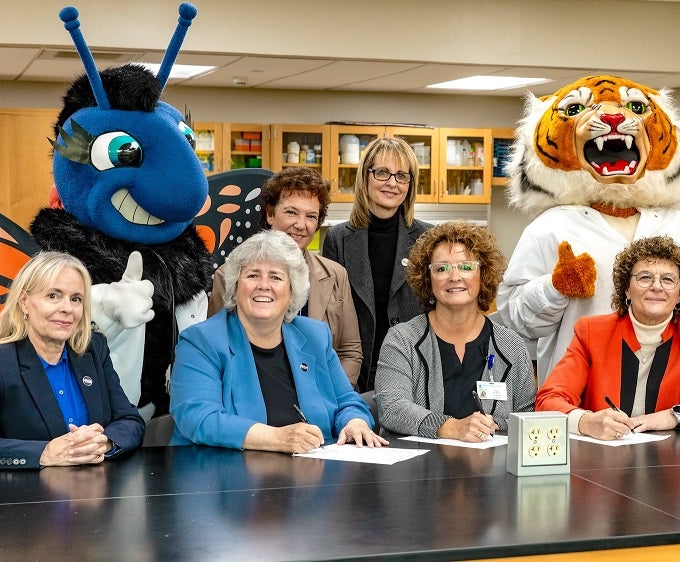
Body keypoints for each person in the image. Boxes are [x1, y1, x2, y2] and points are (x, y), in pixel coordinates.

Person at [169, 229, 387, 452]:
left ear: (293, 293)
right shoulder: (201, 341)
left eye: (276, 277)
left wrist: (354, 423)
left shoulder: (315, 336)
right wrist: (276, 438)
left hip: (310, 478)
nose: (264, 285)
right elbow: (197, 417)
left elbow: (348, 402)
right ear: (235, 288)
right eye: (253, 275)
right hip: (221, 477)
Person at [536, 236, 680, 438]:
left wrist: (677, 416)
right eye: (645, 277)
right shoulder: (592, 332)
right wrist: (585, 422)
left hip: (675, 472)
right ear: (626, 288)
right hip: (602, 465)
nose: (657, 287)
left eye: (668, 279)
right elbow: (548, 401)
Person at [0, 252, 145, 469]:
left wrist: (103, 443)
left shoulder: (93, 350)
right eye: (53, 296)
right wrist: (43, 453)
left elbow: (130, 420)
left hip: (95, 497)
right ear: (24, 302)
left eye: (76, 299)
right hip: (25, 499)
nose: (67, 308)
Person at [376, 222, 536, 441]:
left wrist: (488, 425)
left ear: (484, 274)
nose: (454, 276)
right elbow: (392, 407)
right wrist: (451, 427)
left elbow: (527, 416)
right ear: (427, 279)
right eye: (441, 268)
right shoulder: (402, 340)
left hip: (491, 470)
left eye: (466, 267)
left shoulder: (512, 345)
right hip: (420, 470)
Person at [207, 167, 363, 386]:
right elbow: (217, 350)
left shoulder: (336, 275)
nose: (300, 225)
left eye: (311, 216)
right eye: (291, 212)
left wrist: (334, 398)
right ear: (270, 214)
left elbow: (350, 351)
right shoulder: (230, 275)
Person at [322, 137, 432, 394]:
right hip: (357, 370)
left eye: (402, 175)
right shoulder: (338, 239)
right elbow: (331, 314)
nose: (392, 183)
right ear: (366, 176)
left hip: (413, 368)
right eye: (382, 172)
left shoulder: (428, 238)